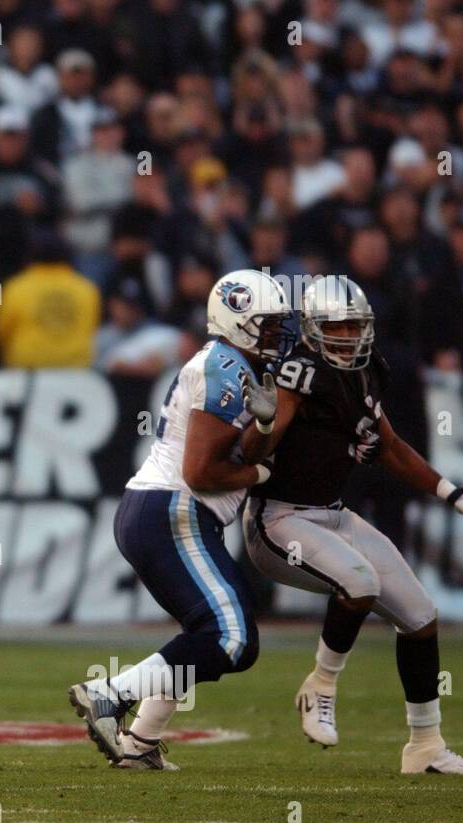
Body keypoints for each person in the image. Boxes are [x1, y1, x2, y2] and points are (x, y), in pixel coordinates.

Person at [239, 275, 463, 775]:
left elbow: (392, 449)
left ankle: (425, 746)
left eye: (357, 326)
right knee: (359, 581)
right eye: (340, 326)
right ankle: (320, 686)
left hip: (331, 514)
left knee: (420, 616)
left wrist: (457, 495)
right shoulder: (299, 372)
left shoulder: (368, 372)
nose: (351, 336)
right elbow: (253, 454)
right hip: (279, 519)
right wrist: (265, 424)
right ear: (312, 329)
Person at [66, 269, 291, 770]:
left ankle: (142, 741)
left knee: (206, 630)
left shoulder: (238, 366)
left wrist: (265, 425)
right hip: (175, 507)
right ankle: (109, 693)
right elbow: (202, 471)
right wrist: (259, 471)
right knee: (232, 638)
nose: (278, 334)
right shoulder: (226, 367)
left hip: (164, 510)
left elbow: (229, 451)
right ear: (236, 322)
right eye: (267, 324)